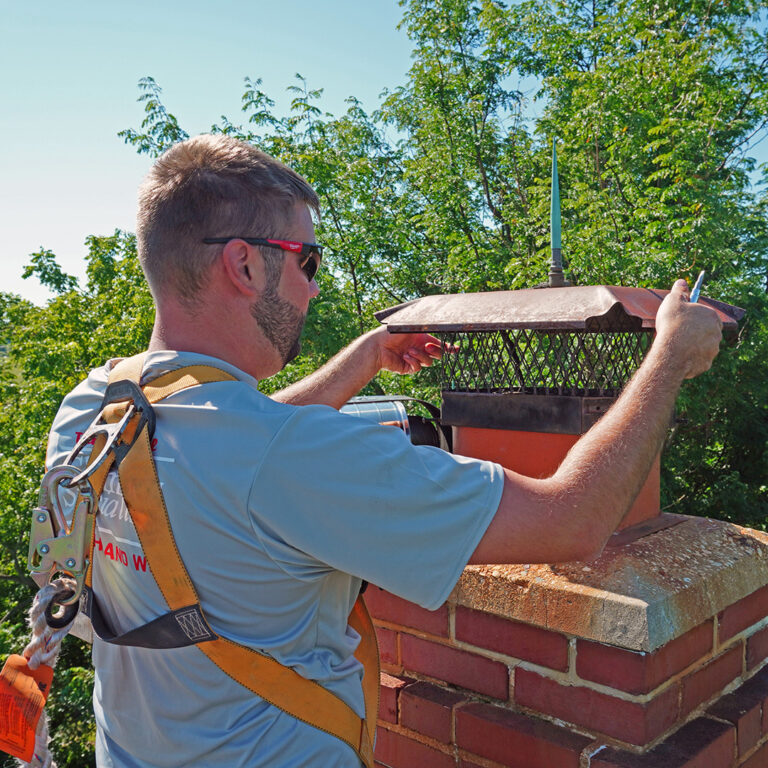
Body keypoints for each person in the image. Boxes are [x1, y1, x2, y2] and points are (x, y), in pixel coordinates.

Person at [46, 134, 723, 768]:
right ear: (245, 263)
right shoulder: (297, 460)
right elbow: (572, 520)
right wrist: (667, 359)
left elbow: (236, 447)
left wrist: (367, 355)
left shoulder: (94, 407)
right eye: (308, 261)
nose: (315, 286)